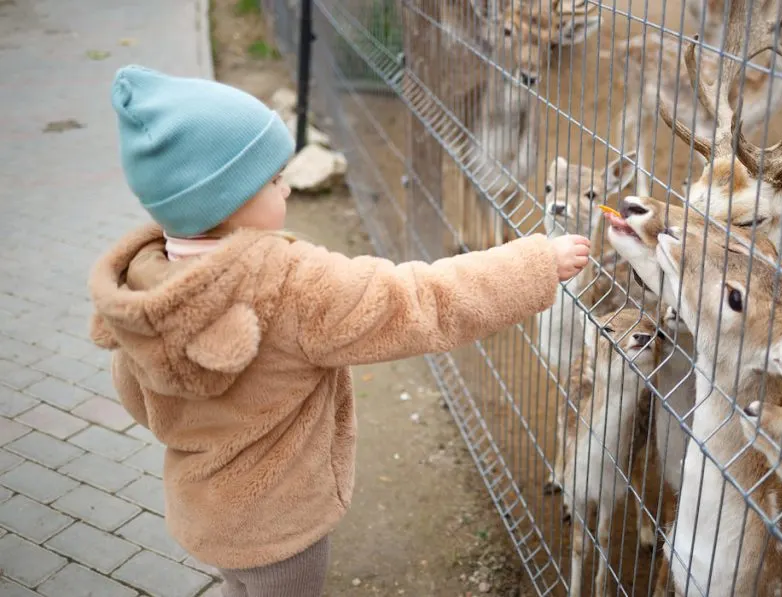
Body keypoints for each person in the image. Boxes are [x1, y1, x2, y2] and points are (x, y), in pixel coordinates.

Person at [89, 65, 591, 597]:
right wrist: (533, 265)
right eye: (272, 178)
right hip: (281, 528)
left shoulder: (144, 289)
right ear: (226, 201)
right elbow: (421, 301)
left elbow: (138, 400)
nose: (286, 185)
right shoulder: (292, 286)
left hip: (205, 516)